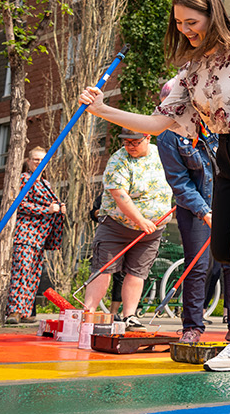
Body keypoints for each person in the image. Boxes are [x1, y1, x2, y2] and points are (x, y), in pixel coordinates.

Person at [77, 0, 230, 371]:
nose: (185, 30)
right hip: (227, 155)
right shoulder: (191, 70)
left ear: (212, 16)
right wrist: (101, 110)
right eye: (180, 23)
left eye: (192, 22)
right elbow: (156, 122)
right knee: (224, 249)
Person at [82, 129, 172, 333]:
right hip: (117, 225)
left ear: (148, 138)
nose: (130, 146)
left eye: (135, 142)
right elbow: (119, 195)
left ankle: (129, 316)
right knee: (103, 268)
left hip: (152, 231)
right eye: (127, 142)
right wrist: (140, 220)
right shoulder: (118, 160)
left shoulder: (162, 154)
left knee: (137, 272)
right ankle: (89, 313)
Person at [153, 95, 226, 342]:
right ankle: (192, 326)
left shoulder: (216, 124)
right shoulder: (168, 136)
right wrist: (205, 212)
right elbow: (180, 182)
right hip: (195, 207)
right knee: (198, 265)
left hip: (226, 201)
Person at [4, 147, 67, 324]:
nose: (39, 163)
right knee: (21, 272)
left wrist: (59, 209)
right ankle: (14, 311)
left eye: (42, 160)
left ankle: (25, 312)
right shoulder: (24, 179)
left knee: (33, 274)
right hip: (26, 233)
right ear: (28, 161)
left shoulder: (46, 184)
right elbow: (19, 204)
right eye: (36, 159)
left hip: (40, 236)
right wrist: (47, 209)